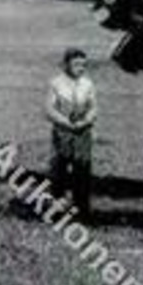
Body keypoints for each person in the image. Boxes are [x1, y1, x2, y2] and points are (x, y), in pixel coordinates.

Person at [48, 46, 97, 220]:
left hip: (82, 133)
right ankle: (56, 211)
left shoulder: (88, 84)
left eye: (83, 65)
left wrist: (86, 121)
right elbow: (50, 110)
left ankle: (82, 210)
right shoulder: (56, 84)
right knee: (59, 170)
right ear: (66, 65)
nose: (80, 68)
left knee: (82, 170)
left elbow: (93, 108)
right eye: (76, 64)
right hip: (63, 132)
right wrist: (65, 123)